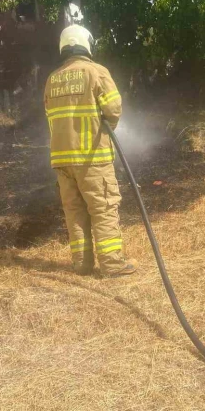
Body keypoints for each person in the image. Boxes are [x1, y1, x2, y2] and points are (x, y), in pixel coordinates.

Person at [44, 25, 136, 277]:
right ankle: (112, 265)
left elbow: (50, 116)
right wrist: (104, 127)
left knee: (75, 212)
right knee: (103, 208)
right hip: (92, 157)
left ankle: (82, 264)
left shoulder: (52, 79)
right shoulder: (96, 72)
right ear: (87, 44)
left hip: (62, 160)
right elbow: (114, 110)